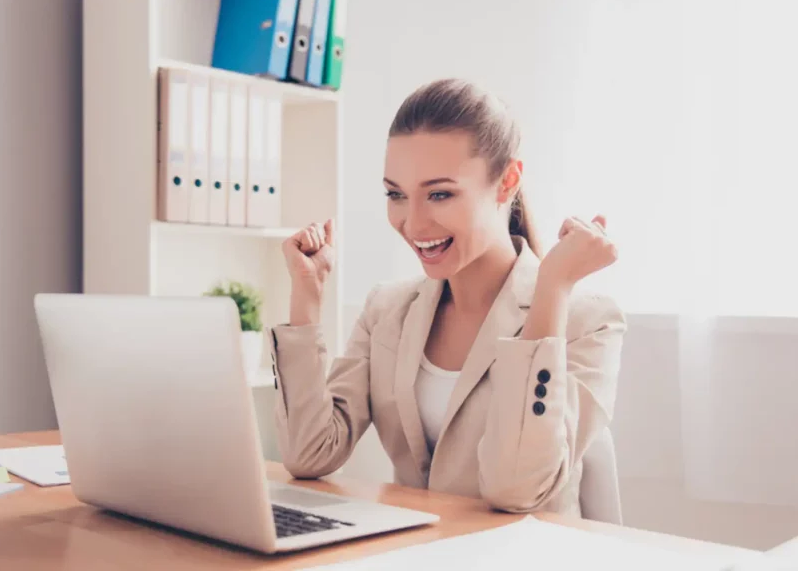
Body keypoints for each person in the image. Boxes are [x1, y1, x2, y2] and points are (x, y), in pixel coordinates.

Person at [268, 78, 627, 515]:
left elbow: (516, 490)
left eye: (439, 194)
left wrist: (552, 287)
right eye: (396, 195)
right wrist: (307, 298)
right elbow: (310, 454)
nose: (414, 225)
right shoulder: (386, 311)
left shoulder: (587, 320)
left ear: (507, 181)